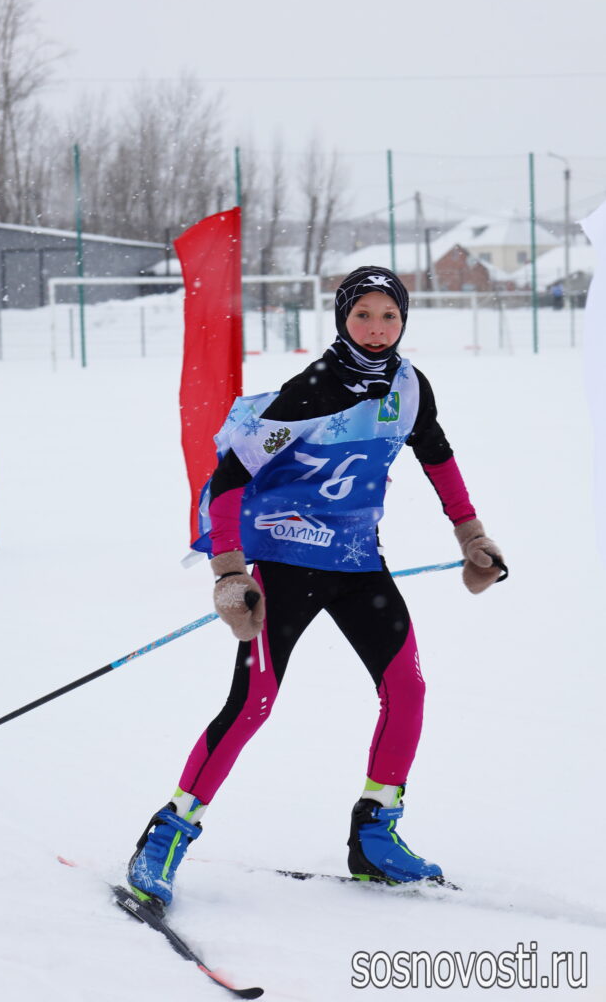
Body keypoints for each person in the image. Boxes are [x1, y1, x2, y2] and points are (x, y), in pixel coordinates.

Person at [126, 266, 506, 909]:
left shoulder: (410, 388)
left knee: (406, 689)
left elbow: (437, 455)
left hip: (359, 563)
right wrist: (228, 572)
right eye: (364, 316)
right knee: (254, 703)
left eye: (390, 316)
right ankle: (167, 834)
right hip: (283, 565)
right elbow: (228, 481)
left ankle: (375, 836)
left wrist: (470, 535)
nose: (378, 329)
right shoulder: (309, 392)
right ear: (342, 319)